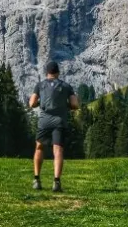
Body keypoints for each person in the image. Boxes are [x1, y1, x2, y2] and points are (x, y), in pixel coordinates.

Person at [29, 60, 79, 193]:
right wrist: (64, 105)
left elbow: (32, 103)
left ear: (47, 72)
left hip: (44, 121)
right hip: (59, 122)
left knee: (39, 147)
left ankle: (36, 180)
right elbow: (75, 104)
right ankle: (56, 182)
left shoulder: (40, 85)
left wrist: (41, 103)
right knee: (58, 151)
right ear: (58, 72)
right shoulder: (66, 86)